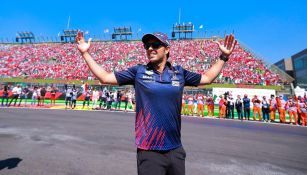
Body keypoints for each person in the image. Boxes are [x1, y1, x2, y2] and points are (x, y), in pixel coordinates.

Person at [76, 31, 237, 175]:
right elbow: (104, 77)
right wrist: (85, 54)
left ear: (167, 49)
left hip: (175, 149)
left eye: (155, 45)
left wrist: (223, 57)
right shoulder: (138, 72)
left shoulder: (179, 73)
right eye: (147, 46)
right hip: (149, 150)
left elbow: (207, 78)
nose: (150, 49)